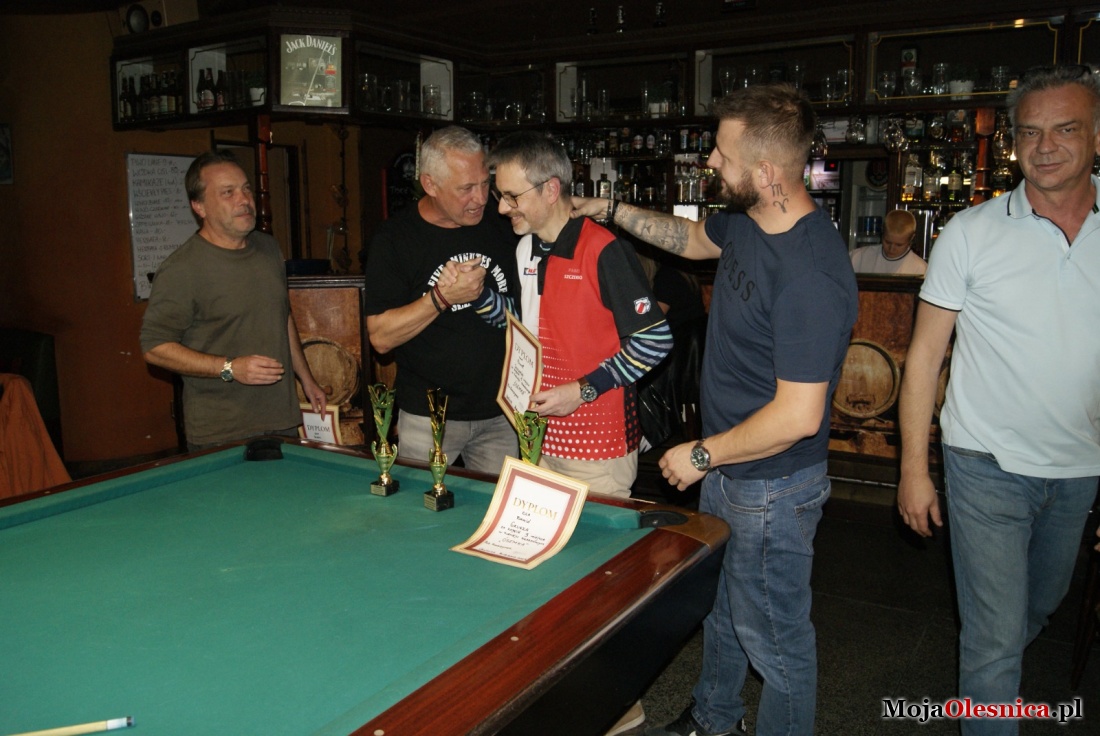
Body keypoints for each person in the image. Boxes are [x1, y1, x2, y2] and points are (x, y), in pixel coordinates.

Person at [574, 83, 858, 736]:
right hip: (734, 470)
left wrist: (702, 454)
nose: (710, 162)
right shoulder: (752, 220)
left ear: (767, 171)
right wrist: (609, 208)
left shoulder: (811, 275)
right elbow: (693, 237)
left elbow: (798, 416)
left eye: (723, 155)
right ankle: (714, 718)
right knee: (725, 610)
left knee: (777, 641)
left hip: (772, 486)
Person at [897, 64, 1100, 736]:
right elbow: (924, 357)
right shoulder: (971, 231)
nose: (1046, 146)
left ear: (1097, 136)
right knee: (992, 643)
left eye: (1065, 129)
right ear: (1013, 143)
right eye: (1031, 132)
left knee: (1038, 607)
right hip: (984, 463)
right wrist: (914, 470)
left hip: (1080, 466)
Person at [487, 131, 671, 500]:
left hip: (597, 449)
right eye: (499, 196)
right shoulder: (525, 247)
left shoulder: (604, 250)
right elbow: (526, 325)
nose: (503, 208)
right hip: (538, 436)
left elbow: (655, 341)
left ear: (550, 190)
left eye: (512, 196)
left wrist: (582, 390)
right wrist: (478, 298)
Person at [141, 150, 326, 451]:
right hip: (222, 431)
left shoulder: (268, 248)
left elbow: (281, 315)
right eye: (228, 192)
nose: (244, 200)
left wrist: (306, 378)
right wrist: (229, 368)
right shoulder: (182, 268)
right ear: (199, 206)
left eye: (246, 189)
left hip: (281, 419)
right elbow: (154, 348)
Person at [363, 126, 520, 473]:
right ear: (430, 185)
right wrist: (442, 297)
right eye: (466, 188)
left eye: (485, 183)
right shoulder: (395, 239)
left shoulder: (503, 222)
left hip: (501, 412)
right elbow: (381, 338)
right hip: (428, 415)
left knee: (498, 509)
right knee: (420, 505)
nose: (481, 198)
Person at [849, 209, 927, 275]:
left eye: (899, 245)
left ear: (911, 238)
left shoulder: (920, 269)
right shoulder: (858, 258)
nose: (891, 249)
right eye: (887, 242)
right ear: (882, 233)